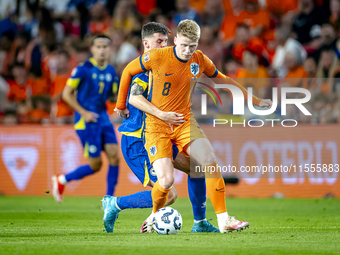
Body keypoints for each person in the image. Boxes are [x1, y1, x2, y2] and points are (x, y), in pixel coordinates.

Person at [115, 20, 272, 233]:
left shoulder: (200, 60)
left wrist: (254, 100)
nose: (188, 51)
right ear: (176, 39)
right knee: (167, 180)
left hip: (183, 121)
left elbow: (223, 80)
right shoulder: (157, 56)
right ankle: (153, 216)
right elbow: (127, 71)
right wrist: (120, 105)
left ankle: (223, 219)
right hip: (156, 126)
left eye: (193, 46)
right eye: (184, 45)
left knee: (207, 160)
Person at [102, 22, 219, 234]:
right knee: (170, 193)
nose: (164, 45)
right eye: (159, 41)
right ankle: (115, 204)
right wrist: (159, 113)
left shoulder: (168, 64)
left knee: (197, 168)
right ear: (146, 44)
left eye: (166, 41)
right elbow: (135, 97)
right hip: (138, 140)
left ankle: (200, 223)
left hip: (161, 135)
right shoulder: (143, 73)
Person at [51, 34, 119, 202]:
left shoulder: (111, 71)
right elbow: (67, 94)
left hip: (103, 119)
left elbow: (112, 96)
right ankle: (62, 179)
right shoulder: (83, 69)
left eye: (105, 47)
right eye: (99, 47)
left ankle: (109, 200)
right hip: (86, 122)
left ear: (109, 50)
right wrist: (84, 112)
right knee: (96, 165)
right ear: (92, 49)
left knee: (115, 157)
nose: (102, 50)